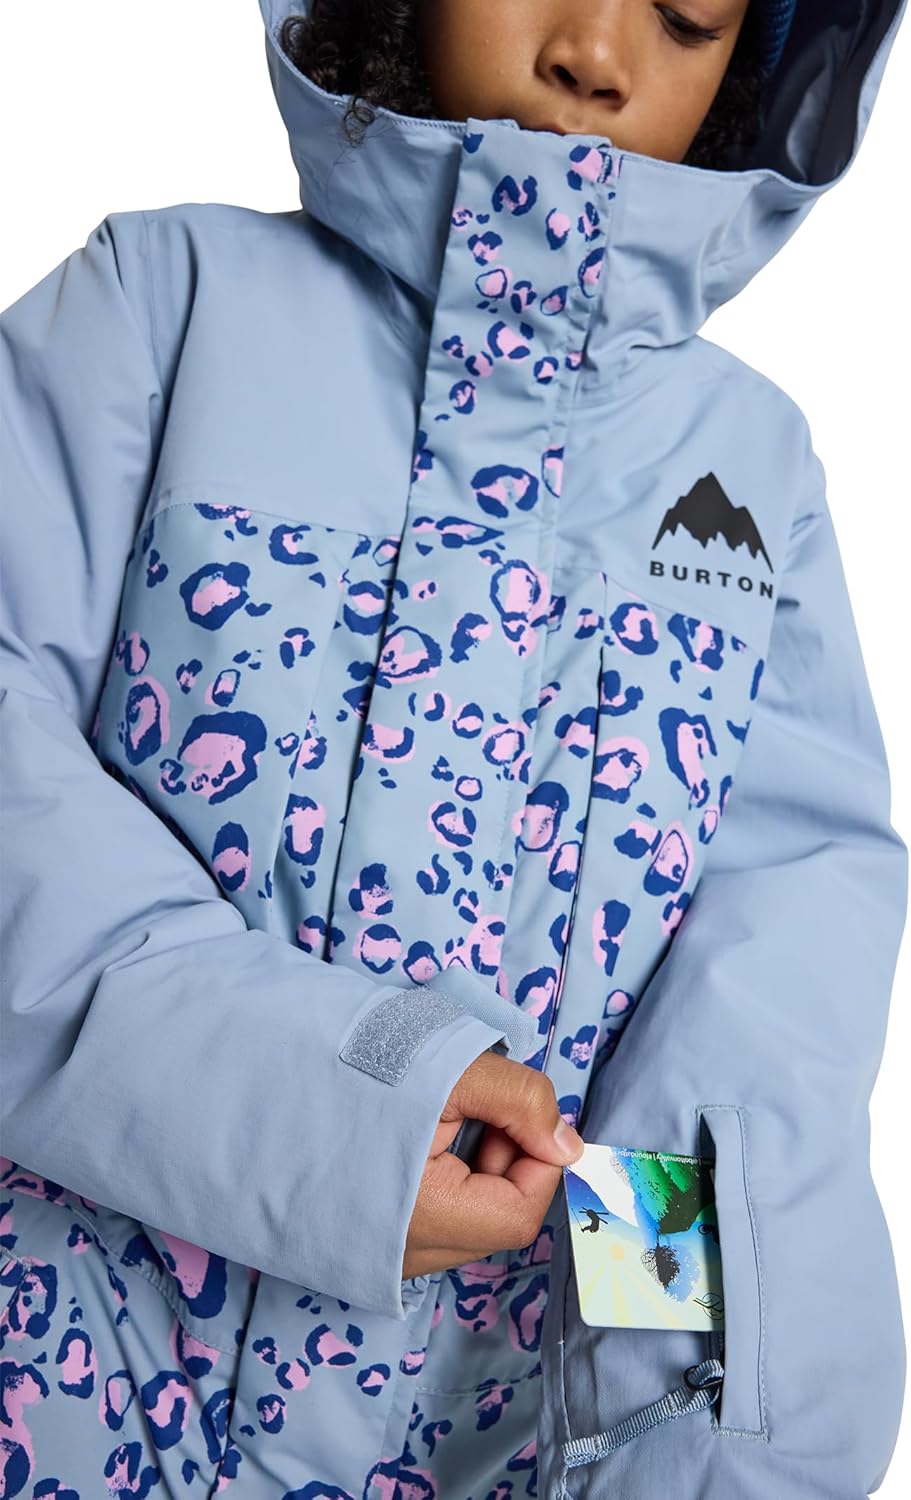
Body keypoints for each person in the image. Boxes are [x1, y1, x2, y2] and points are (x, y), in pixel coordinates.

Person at [0, 0, 907, 1493]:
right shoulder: (163, 310)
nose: (596, 52)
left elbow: (745, 1043)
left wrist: (685, 1439)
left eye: (688, 17)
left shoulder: (751, 482)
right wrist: (332, 1107)